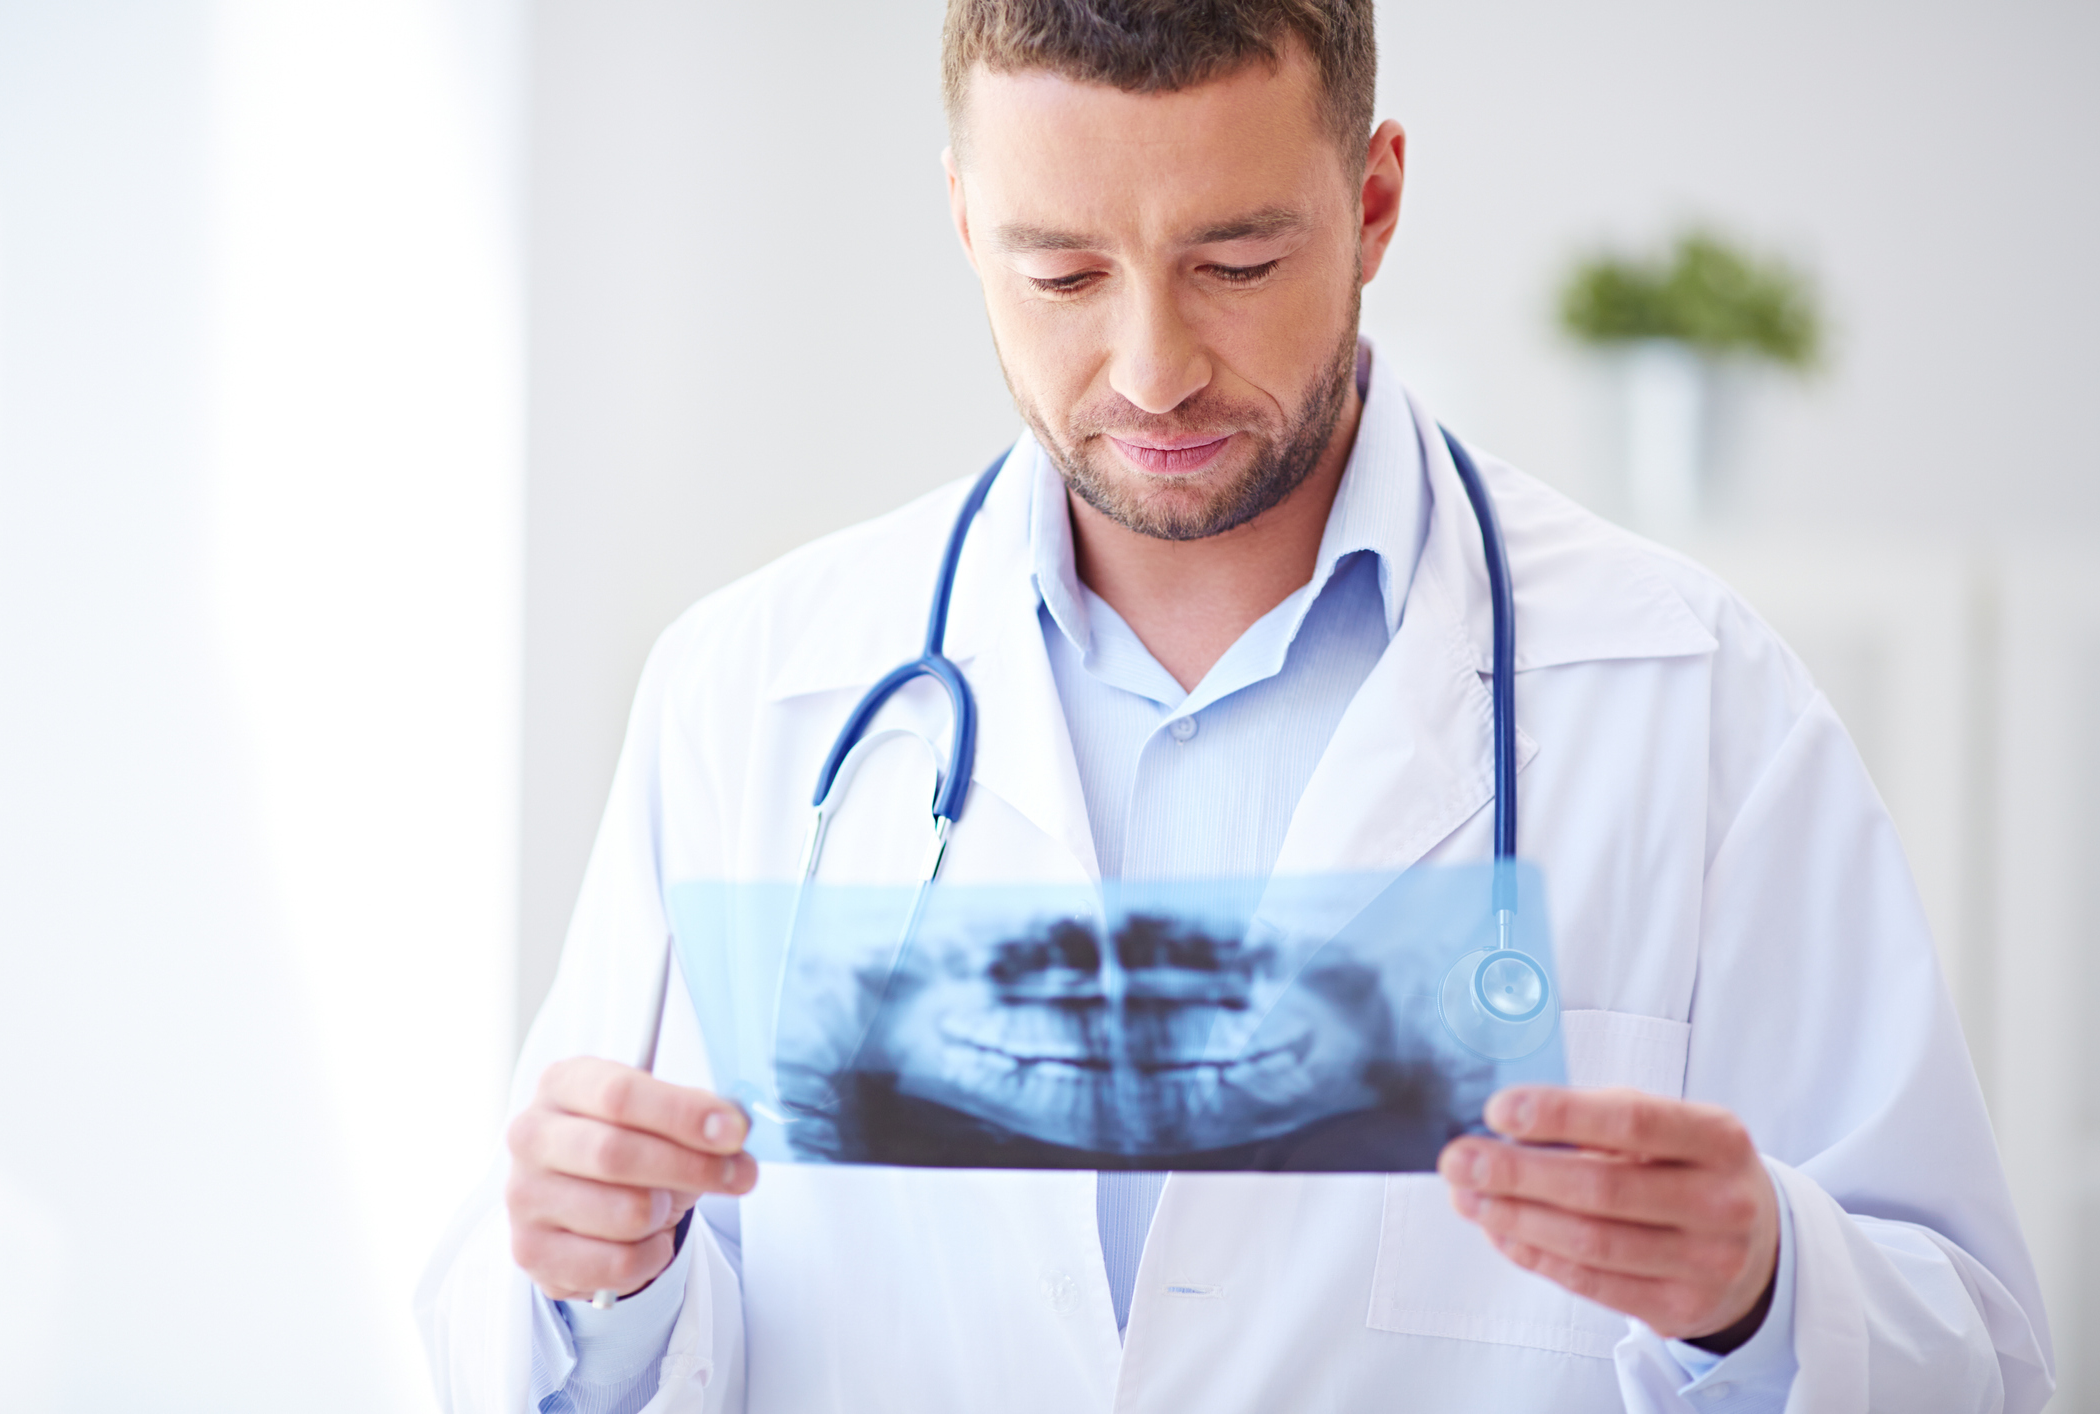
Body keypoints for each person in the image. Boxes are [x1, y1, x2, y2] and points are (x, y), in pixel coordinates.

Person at [417, 2, 2052, 1410]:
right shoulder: (751, 695)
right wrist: (590, 1274)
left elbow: (1975, 1354)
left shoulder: (1690, 702)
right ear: (961, 219)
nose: (1149, 369)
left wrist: (1761, 1284)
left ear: (1375, 197)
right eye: (1058, 272)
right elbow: (578, 1334)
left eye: (1237, 259)